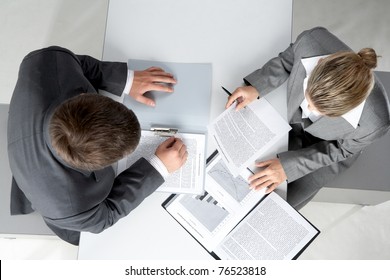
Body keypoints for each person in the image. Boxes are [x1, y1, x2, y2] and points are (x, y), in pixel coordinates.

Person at [8, 46, 188, 245]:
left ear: (84, 98)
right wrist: (158, 168)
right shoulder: (69, 208)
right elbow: (106, 216)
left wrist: (126, 81)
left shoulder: (49, 61)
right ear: (94, 167)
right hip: (59, 205)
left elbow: (78, 65)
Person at [225, 27, 390, 210]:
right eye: (309, 98)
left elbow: (341, 150)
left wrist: (288, 168)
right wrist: (257, 87)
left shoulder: (375, 124)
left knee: (275, 208)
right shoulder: (311, 41)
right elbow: (286, 61)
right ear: (319, 63)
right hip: (287, 122)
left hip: (330, 149)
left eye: (321, 111)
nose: (308, 110)